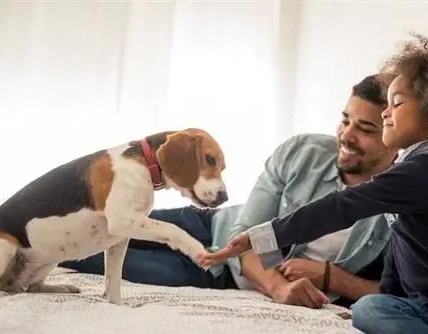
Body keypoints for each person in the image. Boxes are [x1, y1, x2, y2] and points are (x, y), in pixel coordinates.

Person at [199, 34, 428, 334]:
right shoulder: (411, 169)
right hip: (426, 307)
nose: (385, 112)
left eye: (397, 103)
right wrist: (391, 293)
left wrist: (265, 235)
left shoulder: (427, 170)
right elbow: (403, 248)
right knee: (368, 309)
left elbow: (342, 206)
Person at [59, 74, 399, 307]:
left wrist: (334, 279)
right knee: (88, 223)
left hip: (217, 275)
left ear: (393, 139)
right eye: (345, 120)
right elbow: (245, 234)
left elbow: (407, 290)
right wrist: (280, 289)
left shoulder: (404, 203)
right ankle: (8, 227)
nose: (346, 135)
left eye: (364, 128)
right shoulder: (302, 152)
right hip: (212, 226)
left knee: (81, 254)